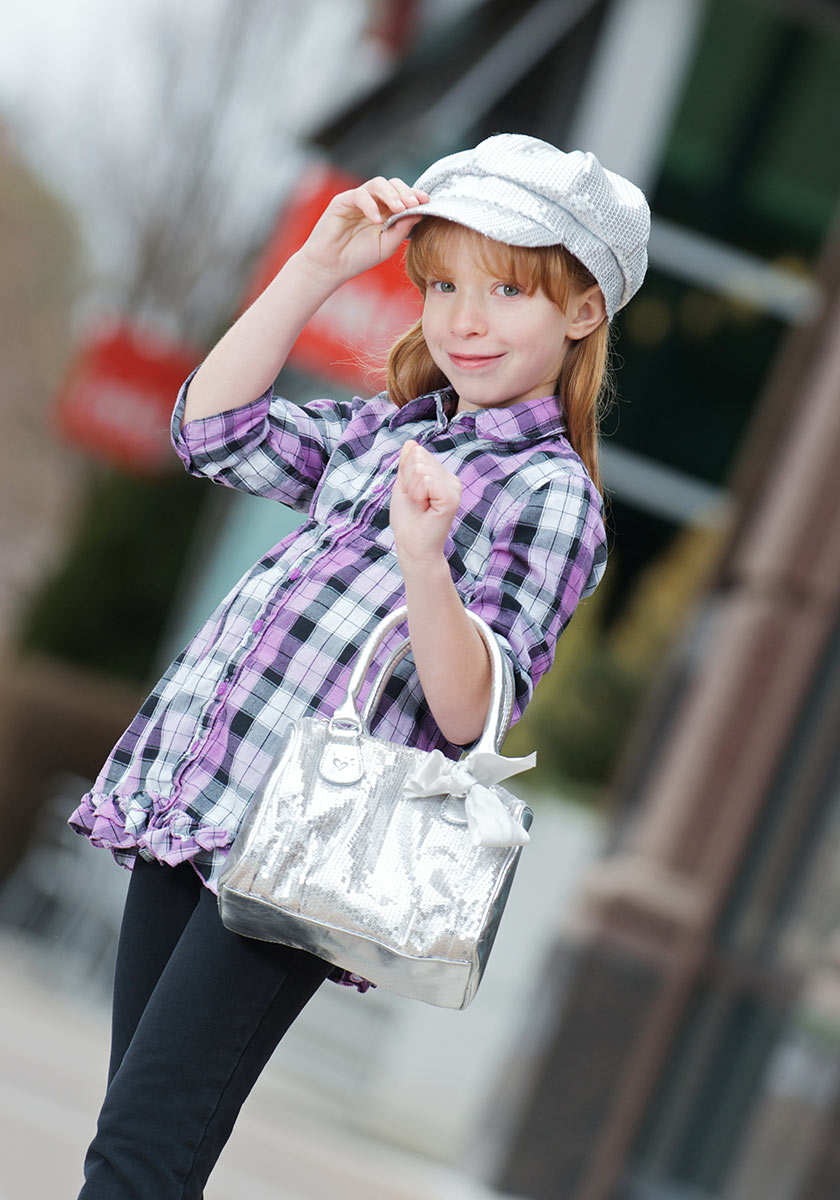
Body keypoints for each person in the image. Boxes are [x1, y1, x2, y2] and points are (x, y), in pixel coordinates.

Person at [70, 133, 650, 1197]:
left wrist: (427, 560)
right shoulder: (388, 430)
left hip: (301, 849)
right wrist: (317, 268)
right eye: (441, 286)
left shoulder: (548, 495)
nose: (464, 321)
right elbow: (213, 432)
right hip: (199, 792)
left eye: (507, 292)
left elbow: (473, 705)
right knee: (137, 1138)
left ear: (581, 312)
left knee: (139, 1156)